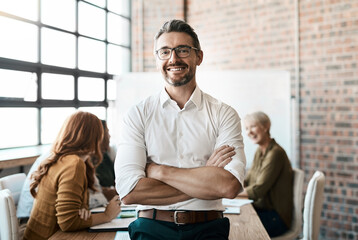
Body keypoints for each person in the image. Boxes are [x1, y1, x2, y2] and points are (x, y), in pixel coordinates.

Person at [115, 19, 246, 240]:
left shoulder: (224, 114)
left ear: (199, 57)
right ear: (157, 60)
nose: (173, 59)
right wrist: (205, 174)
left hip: (208, 228)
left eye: (183, 50)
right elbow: (129, 192)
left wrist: (158, 171)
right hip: (151, 227)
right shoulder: (137, 114)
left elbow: (229, 186)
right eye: (165, 52)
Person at [23, 111, 121, 240]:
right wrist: (107, 215)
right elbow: (67, 222)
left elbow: (70, 213)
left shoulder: (64, 159)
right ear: (95, 137)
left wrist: (81, 209)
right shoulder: (74, 164)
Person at [238, 111, 293, 237]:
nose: (249, 132)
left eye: (252, 126)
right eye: (246, 128)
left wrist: (230, 194)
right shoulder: (259, 151)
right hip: (262, 210)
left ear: (265, 127)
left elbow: (258, 190)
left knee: (238, 228)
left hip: (276, 218)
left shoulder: (275, 153)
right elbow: (248, 181)